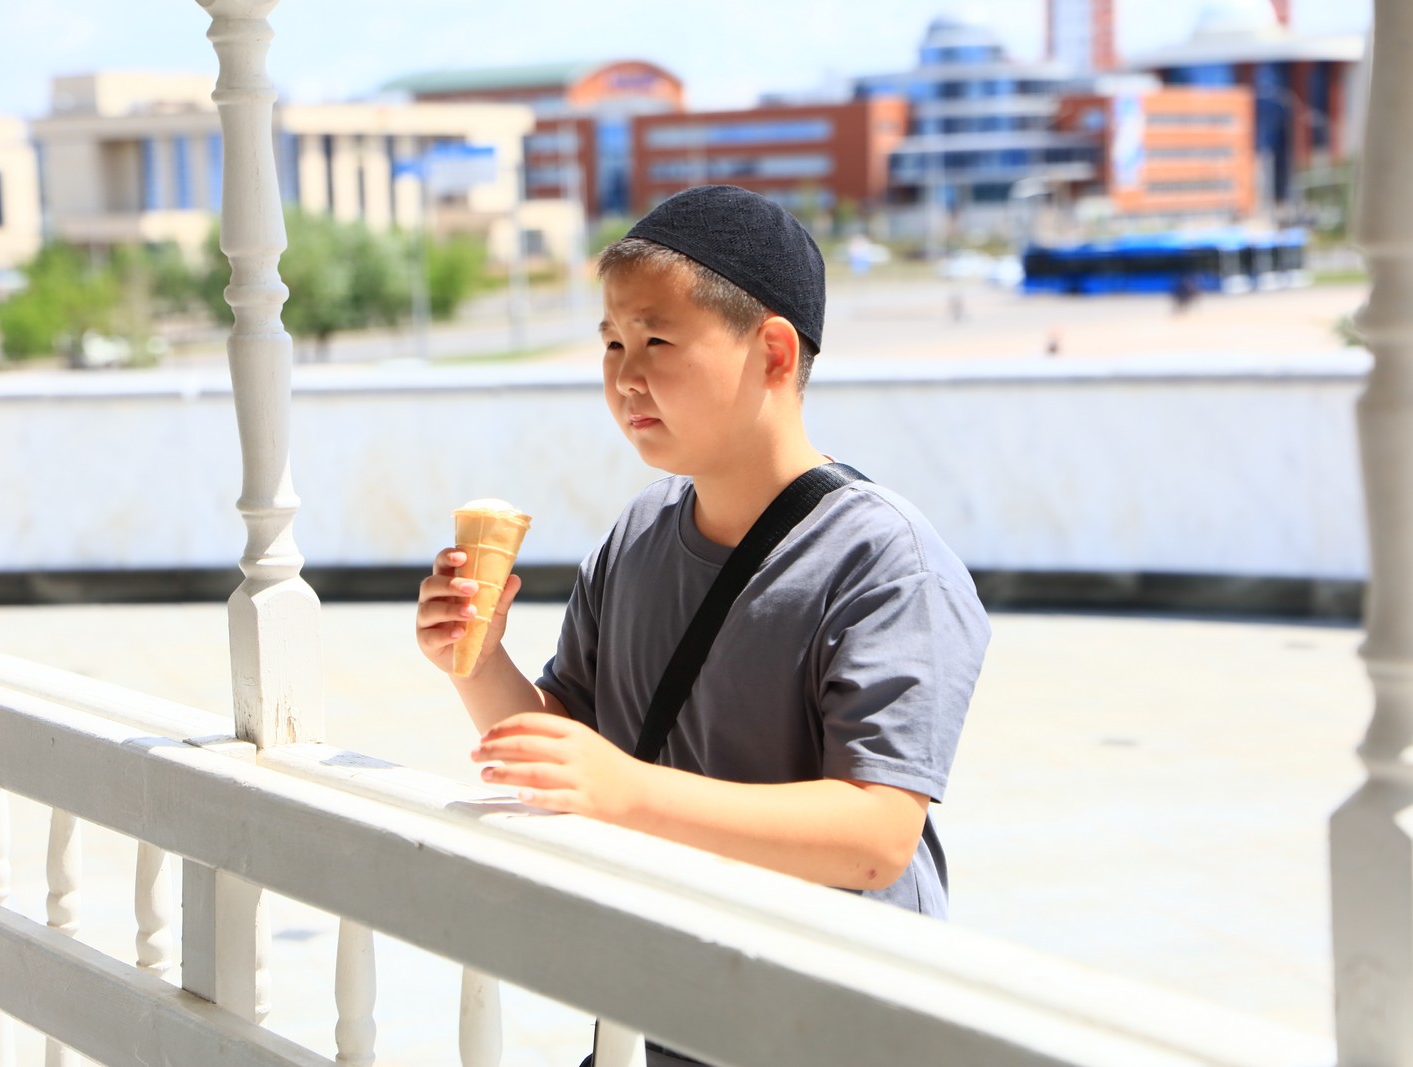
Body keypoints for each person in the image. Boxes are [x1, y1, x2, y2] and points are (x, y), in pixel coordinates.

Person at [415, 184, 991, 1066]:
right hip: (663, 1019)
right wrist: (478, 660)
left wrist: (627, 792)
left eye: (657, 340)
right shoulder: (639, 532)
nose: (624, 375)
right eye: (611, 342)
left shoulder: (885, 560)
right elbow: (567, 754)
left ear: (773, 352)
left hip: (832, 1033)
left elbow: (876, 837)